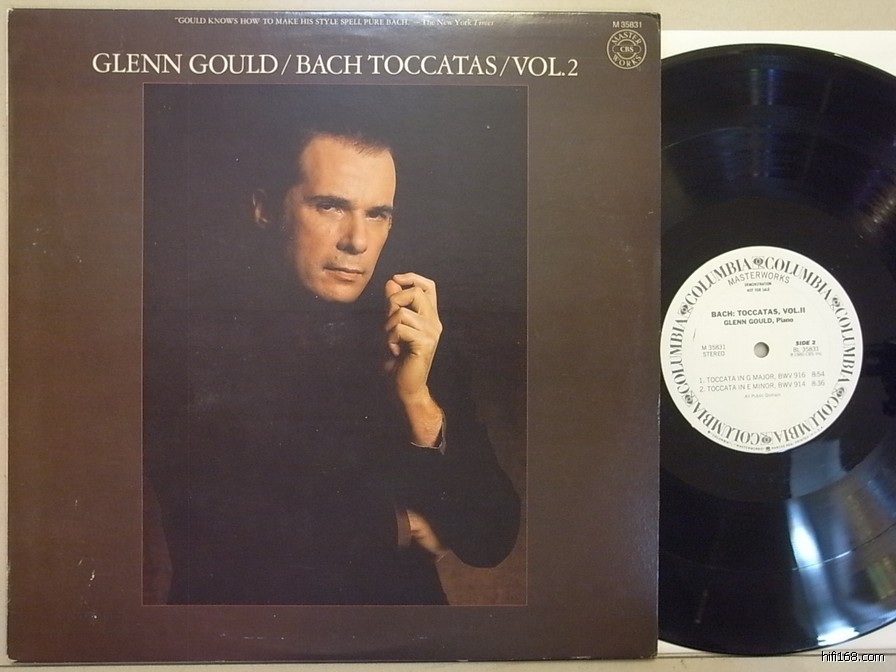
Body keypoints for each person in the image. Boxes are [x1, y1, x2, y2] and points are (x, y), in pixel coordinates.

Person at [143, 124, 521, 605]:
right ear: (265, 209)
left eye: (377, 214)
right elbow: (226, 535)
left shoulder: (412, 334)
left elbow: (491, 538)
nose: (357, 241)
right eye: (330, 206)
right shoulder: (186, 339)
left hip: (403, 639)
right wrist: (402, 524)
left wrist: (416, 400)